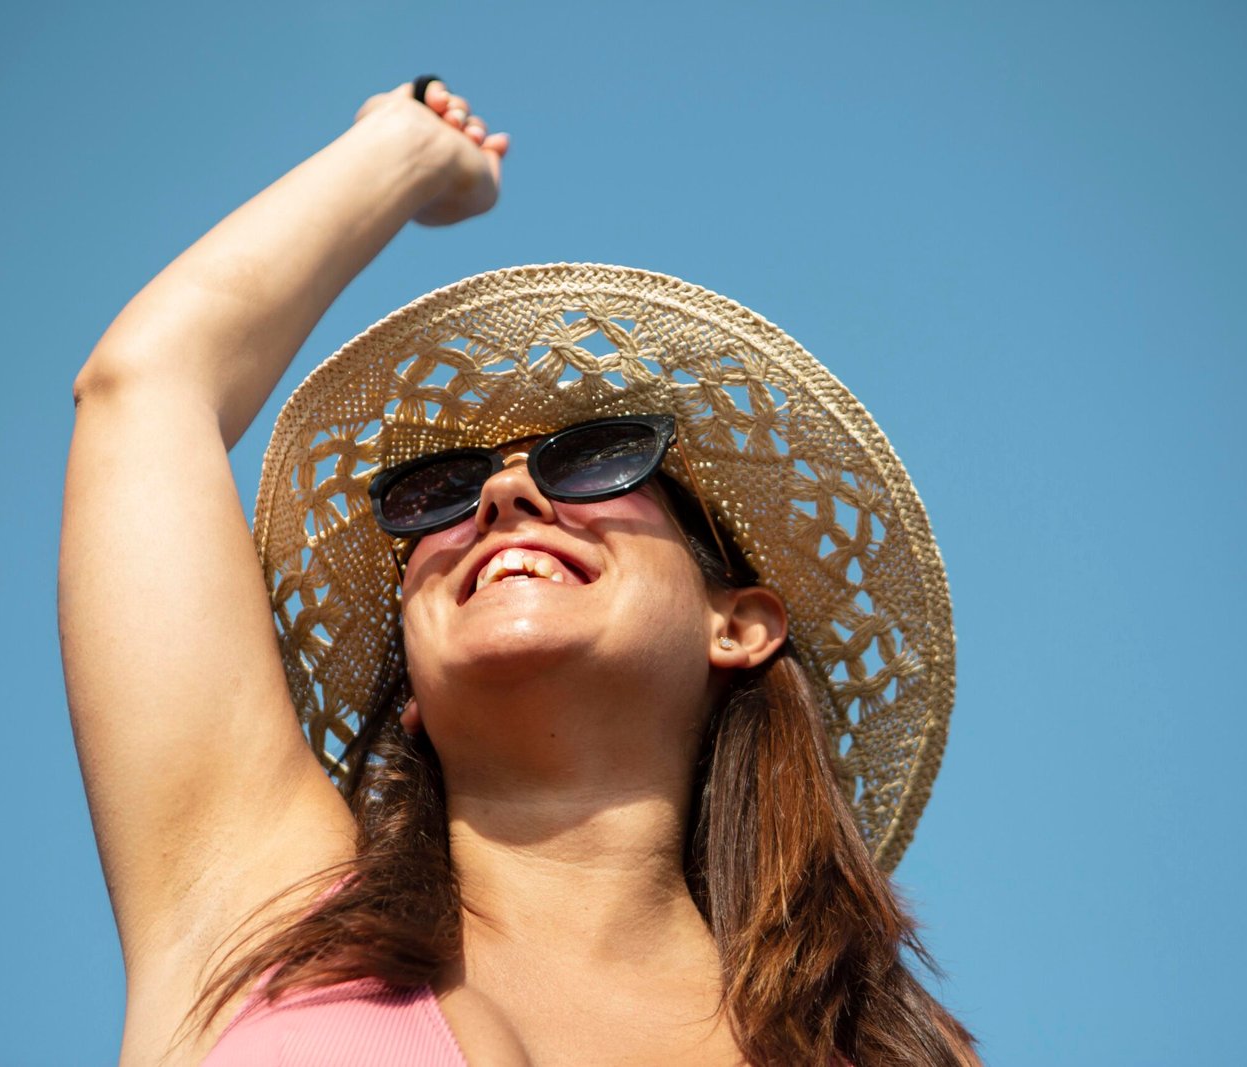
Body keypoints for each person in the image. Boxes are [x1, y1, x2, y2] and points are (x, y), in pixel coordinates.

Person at [61, 77, 977, 1066]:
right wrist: (406, 151)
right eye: (438, 496)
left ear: (740, 622)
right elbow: (145, 383)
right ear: (408, 685)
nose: (502, 500)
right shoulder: (254, 895)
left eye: (591, 462)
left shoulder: (870, 1052)